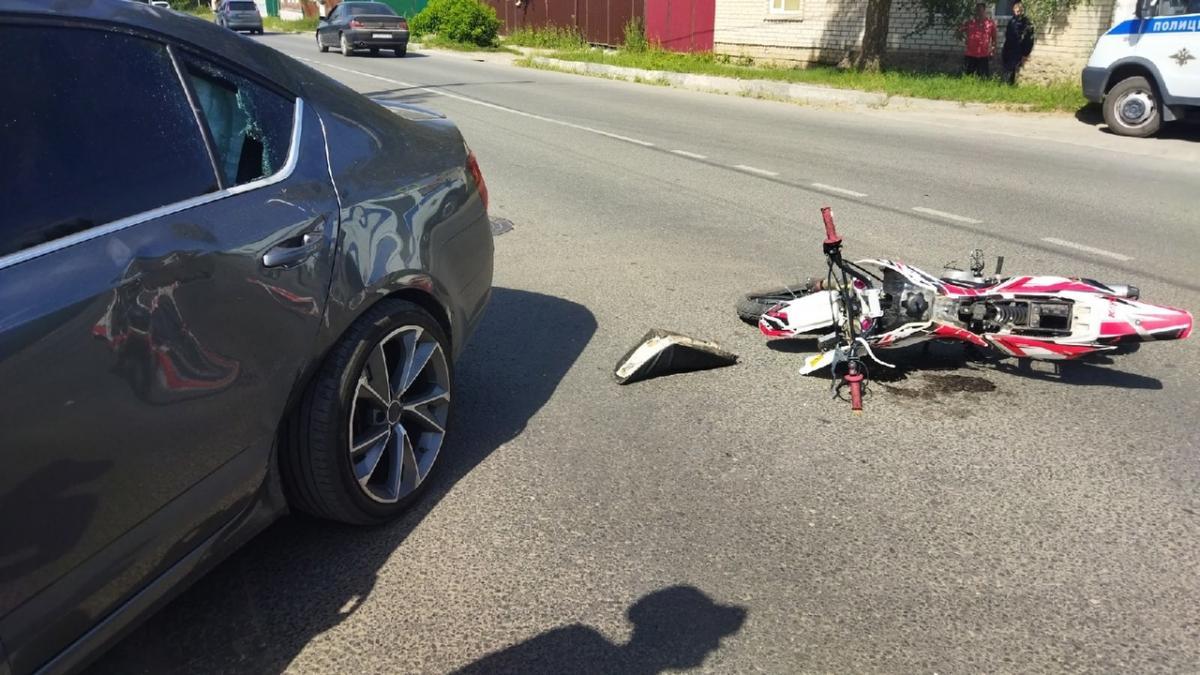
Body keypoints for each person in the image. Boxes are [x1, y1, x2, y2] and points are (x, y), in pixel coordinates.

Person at [1001, 0, 1036, 85]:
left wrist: (1025, 53)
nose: (1018, 13)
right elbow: (1008, 36)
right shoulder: (1012, 21)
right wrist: (1005, 50)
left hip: (1019, 49)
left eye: (1019, 11)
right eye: (1016, 11)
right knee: (1009, 68)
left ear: (1022, 11)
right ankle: (1007, 85)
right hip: (1009, 49)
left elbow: (1029, 39)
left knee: (1012, 68)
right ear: (1013, 10)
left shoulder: (1026, 23)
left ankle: (1008, 85)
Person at [959, 3, 997, 78]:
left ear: (984, 11)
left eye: (980, 10)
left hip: (983, 54)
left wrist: (993, 49)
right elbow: (958, 31)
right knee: (968, 77)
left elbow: (994, 38)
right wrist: (965, 39)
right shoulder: (970, 23)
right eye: (977, 10)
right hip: (970, 54)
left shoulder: (990, 24)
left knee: (983, 77)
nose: (978, 13)